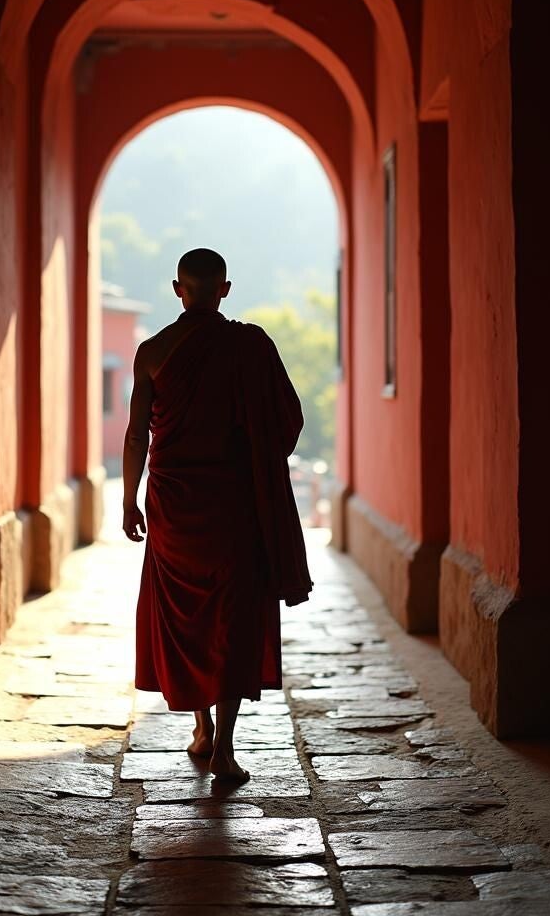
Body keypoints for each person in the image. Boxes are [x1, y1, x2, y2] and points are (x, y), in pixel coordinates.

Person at [122, 247, 312, 782]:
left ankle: (202, 727)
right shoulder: (250, 347)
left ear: (178, 289)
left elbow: (138, 433)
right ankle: (225, 748)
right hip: (234, 505)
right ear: (225, 289)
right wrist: (255, 459)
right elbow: (288, 421)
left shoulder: (152, 352)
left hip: (173, 506)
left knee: (187, 619)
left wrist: (127, 498)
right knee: (231, 618)